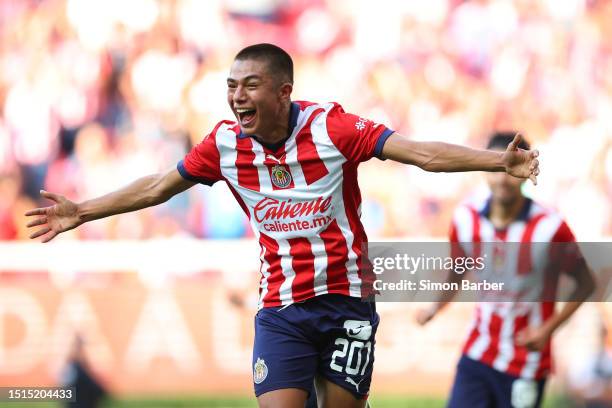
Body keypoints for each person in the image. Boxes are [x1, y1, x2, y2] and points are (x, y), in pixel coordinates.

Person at [25, 44, 540, 408]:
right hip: (282, 310)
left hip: (346, 302)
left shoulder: (332, 128)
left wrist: (499, 162)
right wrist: (83, 211)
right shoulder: (224, 145)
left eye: (250, 85)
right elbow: (159, 187)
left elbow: (422, 154)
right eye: (231, 86)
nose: (237, 96)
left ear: (283, 91)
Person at [416, 132, 595, 408]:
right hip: (478, 352)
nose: (502, 178)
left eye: (510, 169)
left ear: (525, 171)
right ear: (484, 170)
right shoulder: (465, 219)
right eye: (495, 168)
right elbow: (457, 271)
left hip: (527, 363)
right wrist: (435, 308)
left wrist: (548, 329)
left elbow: (586, 283)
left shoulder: (550, 227)